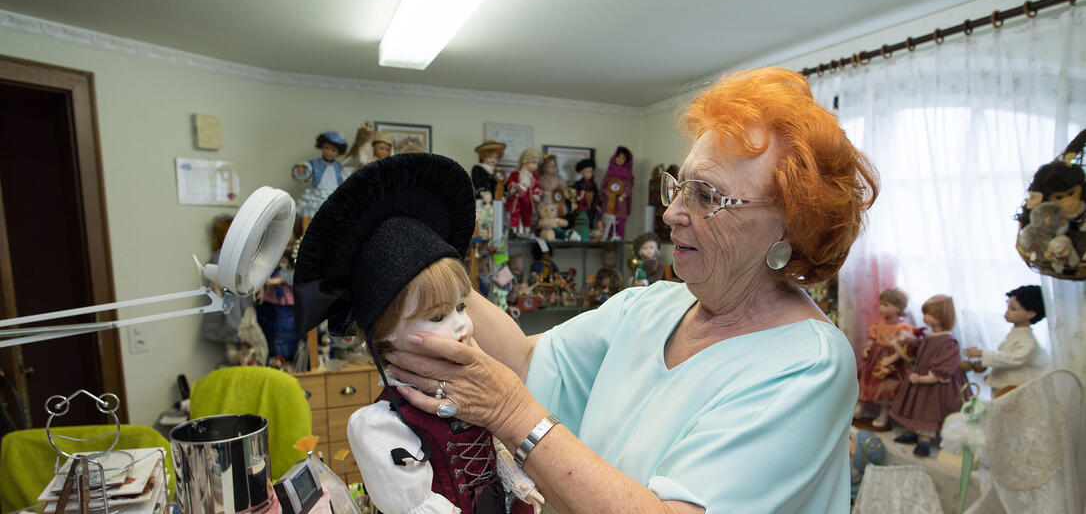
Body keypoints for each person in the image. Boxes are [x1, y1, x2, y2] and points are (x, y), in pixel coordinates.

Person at [384, 67, 879, 512]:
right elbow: (525, 360)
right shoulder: (650, 306)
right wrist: (423, 258)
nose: (670, 214)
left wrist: (512, 413)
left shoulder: (808, 366)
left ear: (788, 227)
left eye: (706, 195)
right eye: (679, 186)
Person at [292, 154, 540, 514]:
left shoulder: (477, 384)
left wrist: (518, 484)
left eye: (460, 307)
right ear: (387, 333)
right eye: (437, 315)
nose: (460, 325)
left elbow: (493, 450)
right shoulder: (381, 425)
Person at [889, 295, 967, 457]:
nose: (926, 318)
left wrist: (923, 378)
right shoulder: (931, 335)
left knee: (929, 410)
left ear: (942, 317)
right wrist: (912, 341)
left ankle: (925, 438)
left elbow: (944, 368)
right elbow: (924, 347)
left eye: (930, 315)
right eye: (925, 314)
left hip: (936, 384)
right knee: (916, 405)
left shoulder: (949, 342)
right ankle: (914, 432)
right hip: (920, 377)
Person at [963, 285, 1051, 397]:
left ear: (1030, 314)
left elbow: (1013, 359)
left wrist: (982, 353)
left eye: (1013, 309)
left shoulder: (1028, 341)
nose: (1007, 312)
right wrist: (994, 375)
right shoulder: (1015, 334)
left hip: (1016, 390)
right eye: (1008, 307)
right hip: (1005, 387)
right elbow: (1005, 359)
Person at [855, 287, 915, 430]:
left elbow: (902, 349)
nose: (881, 308)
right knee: (865, 381)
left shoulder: (903, 327)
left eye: (886, 305)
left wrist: (891, 359)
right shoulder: (878, 324)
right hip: (874, 358)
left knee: (885, 389)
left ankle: (883, 414)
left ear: (899, 308)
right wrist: (868, 348)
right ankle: (860, 408)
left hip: (890, 363)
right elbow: (872, 339)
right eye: (881, 304)